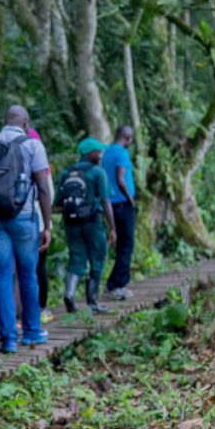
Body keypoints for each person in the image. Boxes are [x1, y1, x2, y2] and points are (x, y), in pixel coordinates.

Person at [0, 105, 53, 353]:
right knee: (28, 275)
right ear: (25, 121)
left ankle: (8, 339)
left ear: (3, 120)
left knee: (1, 277)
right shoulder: (32, 145)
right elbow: (43, 187)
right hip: (24, 220)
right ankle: (32, 332)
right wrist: (47, 225)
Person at [55, 137, 116, 314]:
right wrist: (112, 228)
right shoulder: (97, 172)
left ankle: (70, 293)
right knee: (97, 258)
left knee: (77, 258)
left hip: (71, 223)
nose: (101, 154)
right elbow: (105, 201)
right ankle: (93, 302)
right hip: (92, 221)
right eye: (98, 151)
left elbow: (58, 201)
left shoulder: (67, 171)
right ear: (89, 153)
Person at [102, 125, 136, 300]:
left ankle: (114, 284)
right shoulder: (122, 153)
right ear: (128, 138)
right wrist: (130, 199)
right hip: (122, 204)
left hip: (110, 205)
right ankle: (117, 285)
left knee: (122, 245)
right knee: (126, 245)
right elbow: (120, 179)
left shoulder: (106, 152)